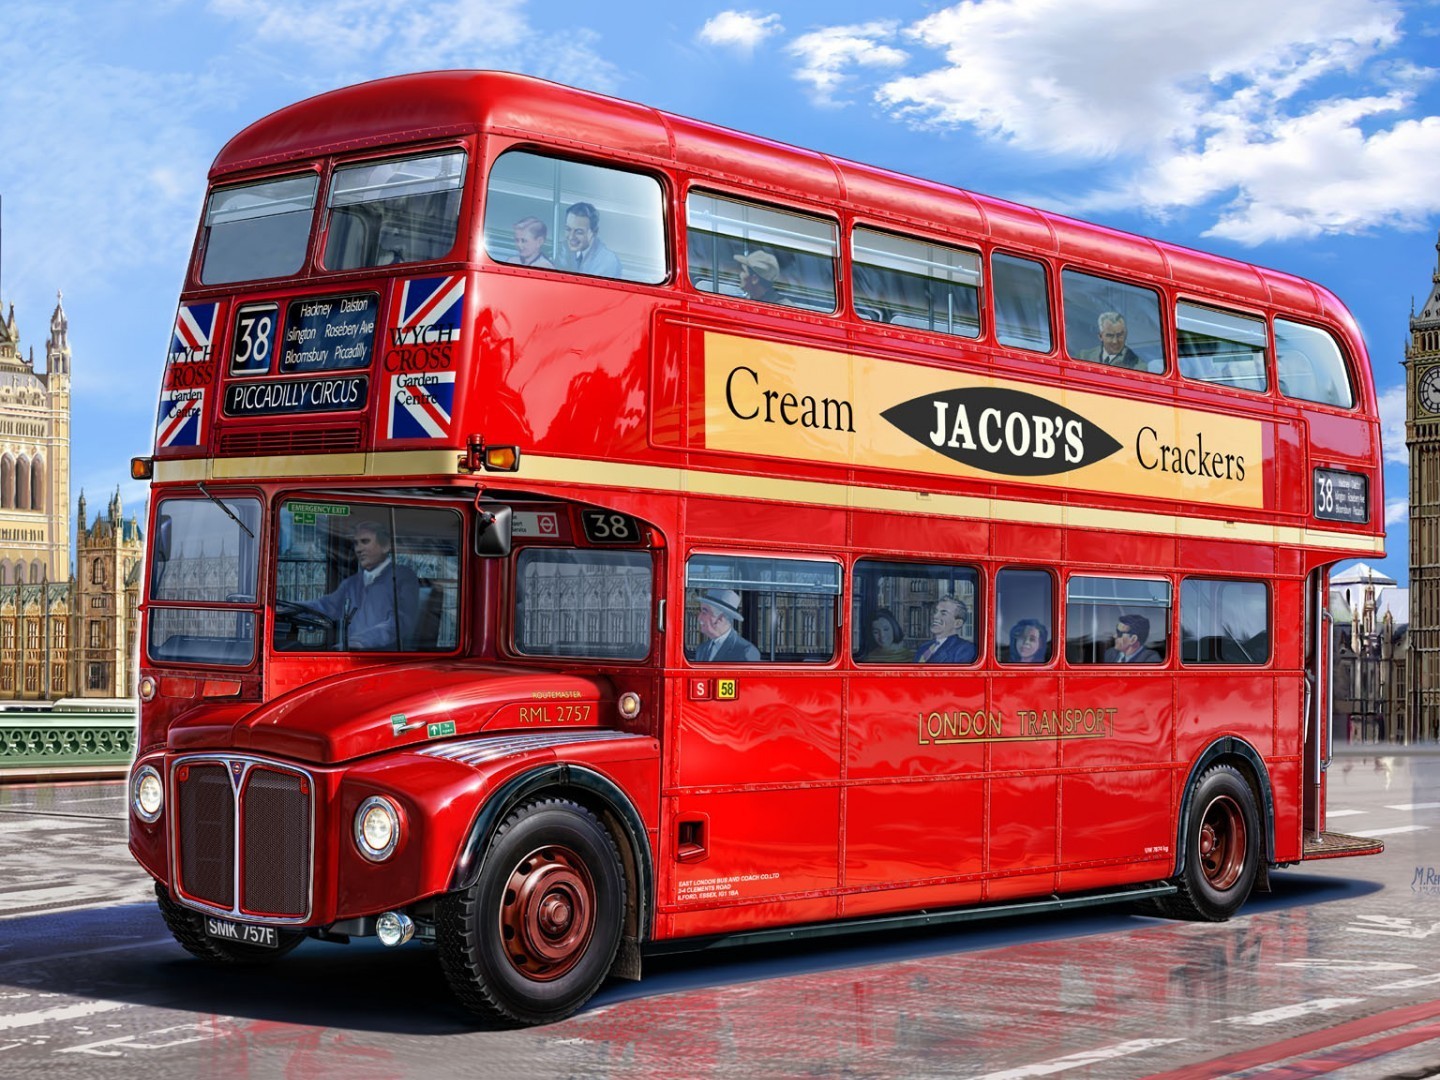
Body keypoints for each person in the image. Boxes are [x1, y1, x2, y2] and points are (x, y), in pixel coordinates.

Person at [297, 520, 418, 650]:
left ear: (386, 546)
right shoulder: (352, 583)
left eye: (365, 542)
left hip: (384, 660)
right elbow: (326, 606)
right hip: (352, 654)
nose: (358, 549)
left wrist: (360, 642)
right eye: (356, 543)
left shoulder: (403, 577)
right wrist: (289, 609)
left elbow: (401, 622)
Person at [690, 588, 760, 662]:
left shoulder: (746, 651)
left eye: (704, 612)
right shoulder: (701, 650)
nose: (699, 618)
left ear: (721, 618)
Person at [562, 201, 622, 278]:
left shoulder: (608, 261)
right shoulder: (561, 250)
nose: (571, 237)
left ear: (594, 232)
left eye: (579, 232)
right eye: (568, 229)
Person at [915, 596, 976, 664]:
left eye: (943, 613)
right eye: (935, 612)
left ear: (957, 623)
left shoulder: (965, 649)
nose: (935, 616)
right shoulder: (924, 647)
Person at [1078, 312, 1147, 370]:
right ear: (1100, 336)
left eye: (1119, 335)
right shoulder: (1084, 356)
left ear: (1126, 334)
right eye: (1110, 336)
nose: (1115, 341)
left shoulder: (1138, 366)